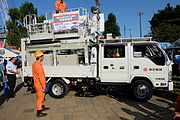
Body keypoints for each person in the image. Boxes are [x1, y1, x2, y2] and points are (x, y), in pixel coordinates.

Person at [32, 51, 49, 117]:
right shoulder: (38, 65)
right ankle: (39, 112)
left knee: (42, 96)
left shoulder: (35, 64)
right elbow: (41, 77)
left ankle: (42, 107)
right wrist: (44, 87)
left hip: (37, 84)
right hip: (39, 84)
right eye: (42, 56)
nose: (43, 57)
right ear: (40, 57)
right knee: (40, 97)